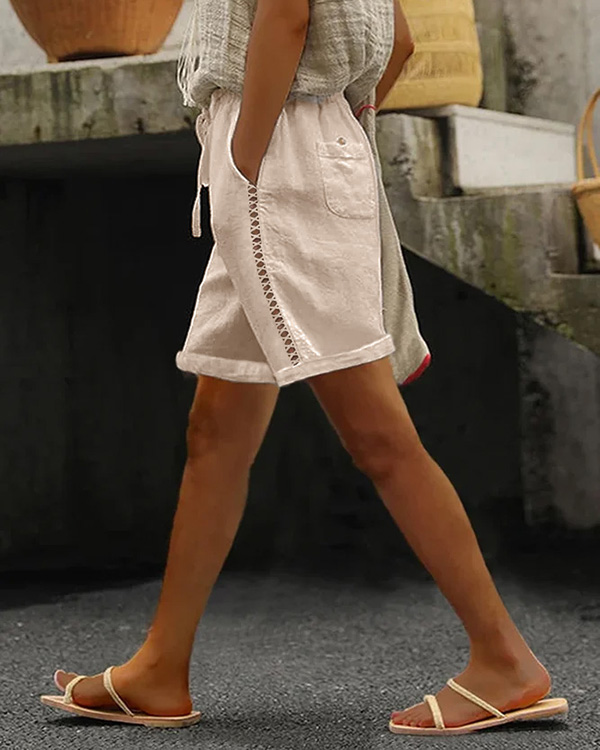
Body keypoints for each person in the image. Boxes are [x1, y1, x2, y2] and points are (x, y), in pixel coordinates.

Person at [41, 0, 568, 735]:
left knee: (379, 437)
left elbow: (286, 13)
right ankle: (159, 669)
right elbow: (400, 39)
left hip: (276, 164)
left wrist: (245, 155)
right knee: (217, 432)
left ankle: (505, 659)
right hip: (298, 149)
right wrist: (322, 129)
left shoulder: (261, 147)